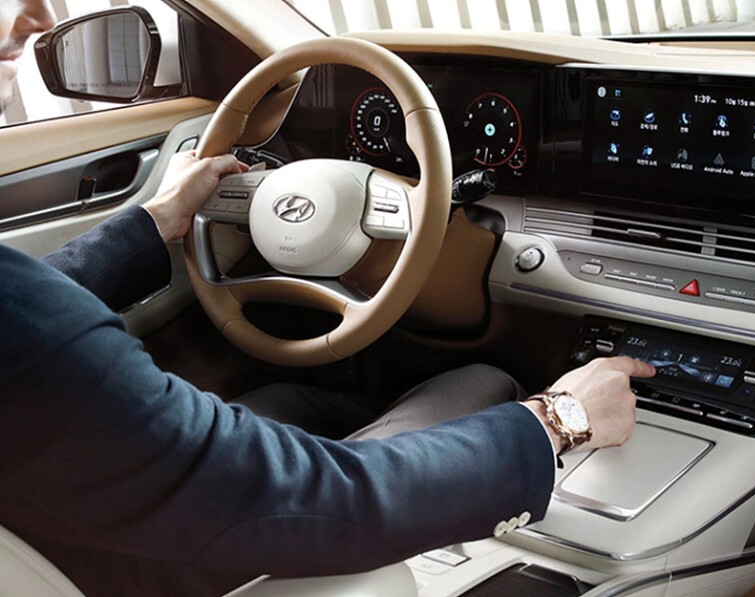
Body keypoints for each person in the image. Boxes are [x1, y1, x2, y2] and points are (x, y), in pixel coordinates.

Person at [0, 1, 655, 595]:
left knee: (289, 401)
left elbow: (27, 310)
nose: (27, 25)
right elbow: (310, 499)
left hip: (56, 542)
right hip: (129, 572)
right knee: (483, 381)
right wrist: (559, 418)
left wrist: (156, 220)